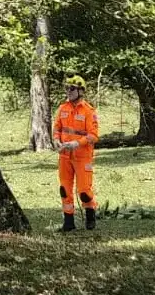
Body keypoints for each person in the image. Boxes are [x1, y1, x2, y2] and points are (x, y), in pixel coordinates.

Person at [53, 74, 99, 232]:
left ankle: (91, 215)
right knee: (64, 189)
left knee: (84, 191)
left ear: (80, 90)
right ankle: (68, 221)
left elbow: (93, 135)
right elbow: (57, 129)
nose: (68, 91)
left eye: (71, 88)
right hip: (64, 156)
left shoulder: (88, 111)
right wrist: (57, 140)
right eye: (67, 88)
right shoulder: (62, 108)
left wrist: (77, 143)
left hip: (82, 156)